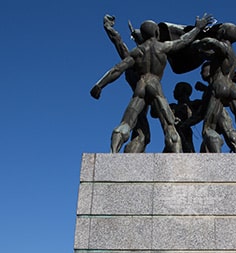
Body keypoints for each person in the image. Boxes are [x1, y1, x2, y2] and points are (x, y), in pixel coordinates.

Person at [91, 14, 212, 153]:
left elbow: (117, 69)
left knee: (126, 123)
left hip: (141, 85)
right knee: (169, 126)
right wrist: (198, 27)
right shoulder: (163, 47)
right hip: (155, 85)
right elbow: (184, 40)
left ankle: (112, 154)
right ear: (157, 32)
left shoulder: (137, 52)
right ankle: (178, 159)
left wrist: (99, 85)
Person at [193, 23, 236, 153]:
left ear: (223, 32)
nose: (217, 31)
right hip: (233, 88)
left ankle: (218, 158)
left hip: (219, 86)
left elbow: (210, 42)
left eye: (219, 30)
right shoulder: (233, 55)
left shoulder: (223, 48)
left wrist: (197, 41)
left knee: (209, 129)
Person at [101, 14, 151, 153]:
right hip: (139, 99)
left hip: (143, 103)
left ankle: (128, 161)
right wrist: (108, 27)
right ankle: (114, 154)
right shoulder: (137, 60)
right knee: (132, 129)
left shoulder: (137, 58)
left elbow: (118, 41)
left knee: (143, 135)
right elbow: (118, 41)